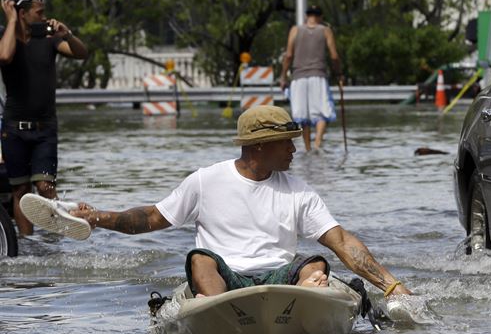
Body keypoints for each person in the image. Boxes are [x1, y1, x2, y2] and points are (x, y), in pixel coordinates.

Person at [70, 105, 411, 298]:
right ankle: (218, 307)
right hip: (225, 279)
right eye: (286, 143)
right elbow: (150, 219)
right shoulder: (205, 180)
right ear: (259, 146)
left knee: (315, 262)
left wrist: (391, 286)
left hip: (279, 279)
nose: (295, 149)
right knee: (201, 260)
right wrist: (97, 218)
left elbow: (341, 241)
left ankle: (305, 295)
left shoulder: (299, 190)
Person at [0, 0, 88, 236]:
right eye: (39, 12)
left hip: (45, 129)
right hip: (13, 128)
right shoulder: (5, 36)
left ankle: (56, 241)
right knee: (21, 190)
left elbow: (82, 54)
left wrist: (67, 34)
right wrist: (11, 22)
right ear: (22, 13)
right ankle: (27, 245)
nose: (44, 17)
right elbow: (4, 56)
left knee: (46, 187)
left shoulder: (50, 39)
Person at [280, 5, 342, 152]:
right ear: (320, 17)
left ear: (306, 16)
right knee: (321, 112)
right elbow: (334, 56)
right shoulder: (325, 31)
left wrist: (283, 76)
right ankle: (317, 144)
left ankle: (308, 148)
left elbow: (288, 55)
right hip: (318, 76)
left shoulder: (295, 30)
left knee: (303, 115)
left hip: (298, 77)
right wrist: (339, 73)